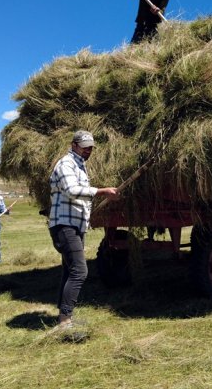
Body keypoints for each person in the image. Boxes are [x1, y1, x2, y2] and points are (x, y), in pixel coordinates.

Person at [48, 130, 119, 329]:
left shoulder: (80, 166)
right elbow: (71, 191)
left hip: (75, 225)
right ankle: (65, 320)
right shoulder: (66, 164)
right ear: (74, 145)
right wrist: (101, 191)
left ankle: (63, 316)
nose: (88, 150)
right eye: (85, 146)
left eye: (91, 147)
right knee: (79, 271)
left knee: (69, 270)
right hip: (65, 225)